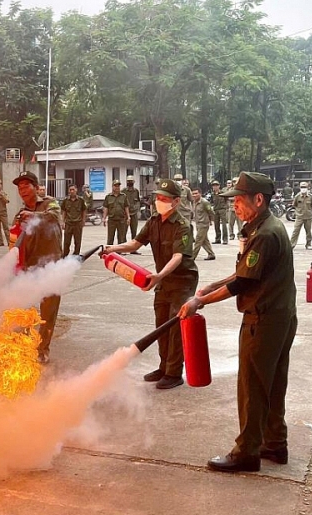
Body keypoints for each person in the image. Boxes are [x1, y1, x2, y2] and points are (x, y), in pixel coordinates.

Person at [178, 172, 296, 473]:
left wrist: (199, 301)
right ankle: (274, 443)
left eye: (240, 201)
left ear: (259, 200)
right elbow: (244, 273)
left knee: (252, 387)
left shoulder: (265, 234)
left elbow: (241, 284)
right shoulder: (265, 227)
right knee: (273, 383)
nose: (235, 207)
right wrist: (209, 286)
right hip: (280, 317)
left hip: (264, 321)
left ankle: (246, 451)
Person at [103, 179, 198, 390]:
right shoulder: (154, 221)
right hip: (163, 281)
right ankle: (164, 367)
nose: (159, 201)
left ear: (176, 201)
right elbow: (135, 243)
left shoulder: (182, 226)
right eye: (157, 197)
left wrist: (159, 275)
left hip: (182, 281)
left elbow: (178, 257)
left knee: (173, 325)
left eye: (164, 198)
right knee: (160, 325)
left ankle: (174, 373)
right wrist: (113, 249)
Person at [12, 171, 63, 363]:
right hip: (30, 267)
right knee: (24, 309)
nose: (22, 190)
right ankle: (26, 345)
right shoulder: (20, 215)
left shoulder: (50, 203)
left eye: (26, 186)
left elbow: (53, 217)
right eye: (19, 188)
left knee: (48, 312)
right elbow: (16, 241)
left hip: (51, 266)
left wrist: (33, 215)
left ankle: (43, 349)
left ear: (35, 187)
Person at [60, 184, 86, 257]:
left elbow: (84, 211)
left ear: (76, 190)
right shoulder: (65, 201)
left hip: (78, 224)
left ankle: (76, 255)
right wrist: (62, 222)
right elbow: (64, 211)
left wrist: (83, 221)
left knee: (77, 241)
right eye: (70, 190)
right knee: (66, 242)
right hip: (68, 223)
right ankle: (65, 255)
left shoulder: (81, 200)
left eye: (73, 189)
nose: (72, 191)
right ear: (68, 191)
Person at [102, 180, 130, 246]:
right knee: (110, 237)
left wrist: (128, 217)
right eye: (115, 186)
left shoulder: (124, 196)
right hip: (112, 220)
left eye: (118, 186)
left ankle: (120, 251)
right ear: (112, 187)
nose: (117, 187)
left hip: (121, 219)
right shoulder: (108, 197)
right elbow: (106, 208)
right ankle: (109, 251)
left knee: (121, 237)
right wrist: (104, 218)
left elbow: (126, 207)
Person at [191, 188, 216, 261]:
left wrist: (210, 221)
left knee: (198, 240)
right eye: (193, 193)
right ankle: (211, 254)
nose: (194, 195)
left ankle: (193, 256)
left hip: (203, 224)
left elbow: (211, 212)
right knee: (204, 240)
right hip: (198, 224)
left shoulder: (204, 202)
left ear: (200, 194)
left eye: (196, 193)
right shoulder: (194, 202)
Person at [289, 182, 312, 248]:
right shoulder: (297, 196)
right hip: (299, 216)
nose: (303, 189)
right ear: (300, 188)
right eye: (302, 187)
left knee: (308, 231)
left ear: (308, 188)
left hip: (308, 216)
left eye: (305, 187)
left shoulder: (310, 197)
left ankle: (308, 244)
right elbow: (294, 204)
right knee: (296, 231)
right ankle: (291, 244)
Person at [124, 175, 142, 249]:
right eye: (128, 181)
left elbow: (138, 201)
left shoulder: (136, 191)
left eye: (131, 181)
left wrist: (137, 209)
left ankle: (133, 249)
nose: (130, 183)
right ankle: (123, 248)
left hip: (134, 214)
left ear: (134, 182)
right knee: (123, 232)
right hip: (125, 215)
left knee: (134, 232)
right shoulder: (123, 191)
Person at [210, 180, 228, 244]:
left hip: (222, 210)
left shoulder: (223, 193)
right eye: (214, 186)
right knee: (216, 225)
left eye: (216, 185)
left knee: (224, 225)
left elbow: (226, 200)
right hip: (215, 210)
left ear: (219, 186)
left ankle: (225, 239)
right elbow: (211, 202)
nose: (215, 187)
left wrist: (225, 207)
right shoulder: (212, 194)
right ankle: (218, 239)